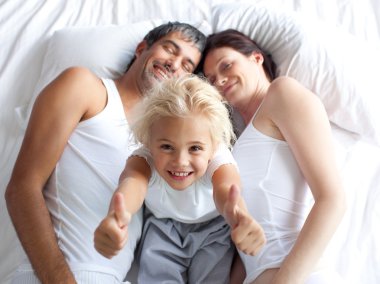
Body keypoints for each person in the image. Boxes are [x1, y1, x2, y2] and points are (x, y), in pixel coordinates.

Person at [4, 22, 207, 284]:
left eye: (187, 65)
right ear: (142, 48)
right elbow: (22, 188)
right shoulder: (85, 87)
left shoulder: (162, 144)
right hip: (53, 276)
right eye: (169, 49)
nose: (174, 64)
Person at [199, 29, 346, 284]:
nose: (220, 80)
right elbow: (248, 244)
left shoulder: (283, 92)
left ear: (256, 58)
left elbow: (333, 199)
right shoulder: (234, 144)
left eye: (226, 65)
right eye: (211, 79)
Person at [94, 75, 266, 284]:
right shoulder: (143, 158)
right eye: (166, 147)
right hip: (163, 227)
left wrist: (239, 217)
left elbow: (226, 188)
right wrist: (117, 216)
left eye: (195, 148)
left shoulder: (218, 157)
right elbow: (133, 184)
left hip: (213, 230)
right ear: (149, 141)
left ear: (214, 146)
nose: (180, 161)